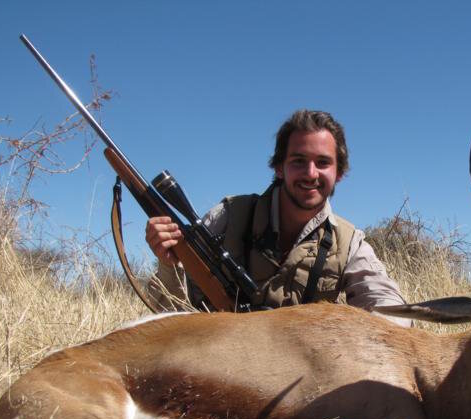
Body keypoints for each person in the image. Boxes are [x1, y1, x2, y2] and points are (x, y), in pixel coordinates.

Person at [145, 109, 409, 326]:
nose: (310, 173)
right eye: (298, 161)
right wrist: (168, 263)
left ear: (339, 173)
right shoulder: (229, 215)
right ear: (278, 168)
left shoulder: (349, 242)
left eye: (323, 162)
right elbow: (165, 310)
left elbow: (389, 305)